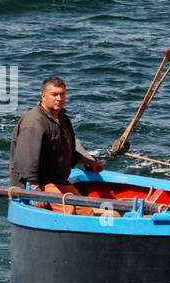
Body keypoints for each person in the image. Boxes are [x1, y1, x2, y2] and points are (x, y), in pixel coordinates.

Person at [9, 76, 104, 215]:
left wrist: (89, 162)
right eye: (54, 94)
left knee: (87, 211)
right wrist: (34, 188)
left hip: (59, 180)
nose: (59, 98)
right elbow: (26, 158)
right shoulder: (34, 122)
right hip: (41, 182)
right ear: (43, 96)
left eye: (62, 94)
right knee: (68, 209)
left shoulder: (63, 119)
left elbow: (67, 151)